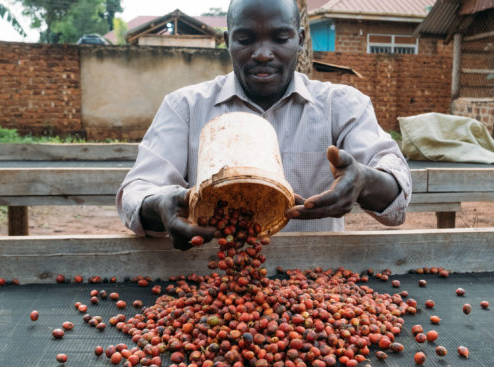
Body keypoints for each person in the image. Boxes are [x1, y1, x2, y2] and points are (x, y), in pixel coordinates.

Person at [117, 0, 411, 249]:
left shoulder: (342, 105)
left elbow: (395, 192)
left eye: (280, 39)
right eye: (245, 40)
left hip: (314, 281)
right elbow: (137, 190)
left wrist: (364, 180)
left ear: (300, 38)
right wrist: (160, 205)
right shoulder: (186, 107)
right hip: (211, 278)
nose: (262, 54)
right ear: (227, 41)